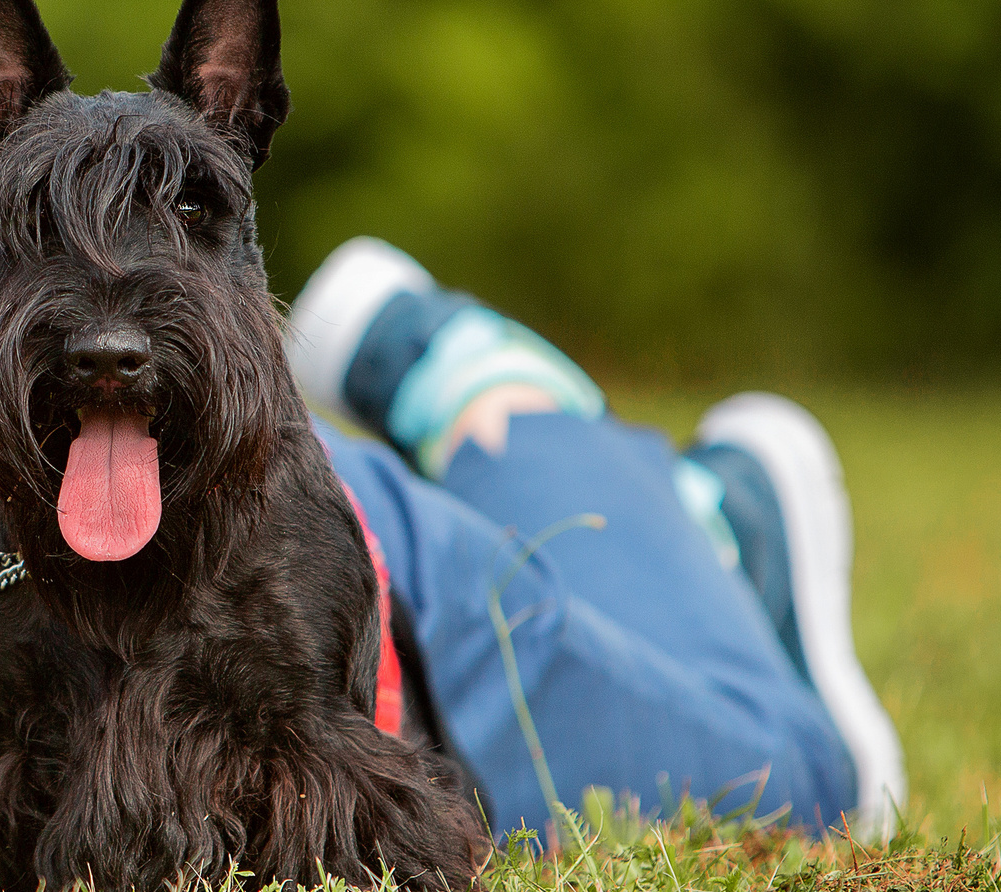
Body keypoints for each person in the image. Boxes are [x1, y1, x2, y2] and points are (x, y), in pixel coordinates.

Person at [287, 237, 906, 843]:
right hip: (345, 554)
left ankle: (492, 395)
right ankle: (480, 392)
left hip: (359, 583)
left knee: (797, 783)